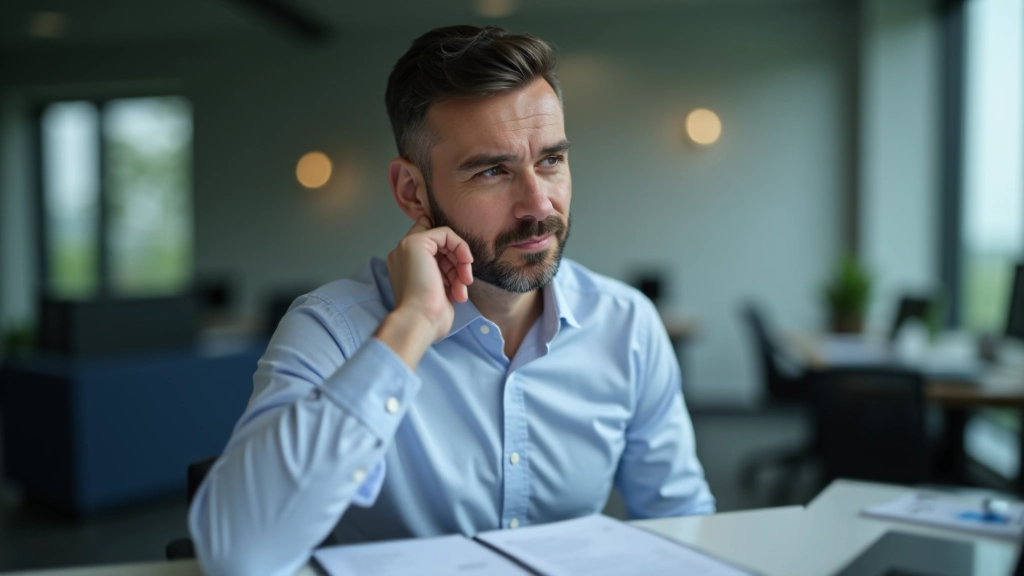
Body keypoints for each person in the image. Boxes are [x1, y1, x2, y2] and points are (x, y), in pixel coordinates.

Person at [189, 25, 714, 576]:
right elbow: (237, 556)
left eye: (551, 161)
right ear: (412, 192)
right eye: (493, 171)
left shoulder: (626, 324)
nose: (538, 204)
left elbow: (682, 524)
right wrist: (409, 329)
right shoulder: (331, 329)